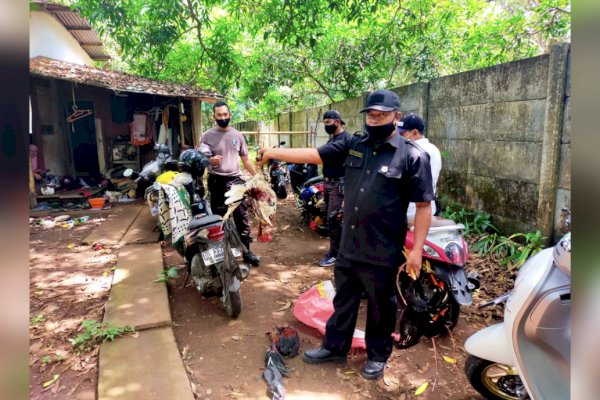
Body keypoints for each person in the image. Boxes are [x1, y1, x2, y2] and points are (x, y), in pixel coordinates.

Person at [257, 90, 434, 380]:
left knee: (380, 306)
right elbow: (313, 154)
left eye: (382, 115)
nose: (375, 121)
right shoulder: (354, 145)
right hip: (349, 245)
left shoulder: (413, 156)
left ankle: (377, 356)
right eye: (371, 115)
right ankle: (335, 347)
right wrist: (275, 152)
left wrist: (416, 251)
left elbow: (424, 206)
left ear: (397, 117)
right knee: (344, 299)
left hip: (383, 248)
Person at [199, 101, 261, 266]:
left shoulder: (237, 135)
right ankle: (224, 255)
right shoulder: (207, 136)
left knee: (242, 218)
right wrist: (209, 159)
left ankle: (247, 253)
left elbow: (246, 159)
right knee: (219, 220)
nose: (223, 117)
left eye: (225, 114)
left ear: (230, 115)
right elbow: (202, 158)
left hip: (236, 182)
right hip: (216, 182)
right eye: (219, 115)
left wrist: (258, 177)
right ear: (214, 116)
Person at [319, 110, 351, 267]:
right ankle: (337, 249)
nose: (326, 126)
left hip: (339, 185)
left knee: (335, 219)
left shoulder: (346, 140)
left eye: (328, 123)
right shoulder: (332, 140)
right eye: (324, 123)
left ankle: (335, 253)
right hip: (328, 183)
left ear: (337, 122)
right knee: (330, 218)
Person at [396, 113, 442, 218]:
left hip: (410, 211)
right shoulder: (433, 149)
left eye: (402, 134)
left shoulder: (411, 151)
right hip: (428, 208)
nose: (398, 138)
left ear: (415, 133)